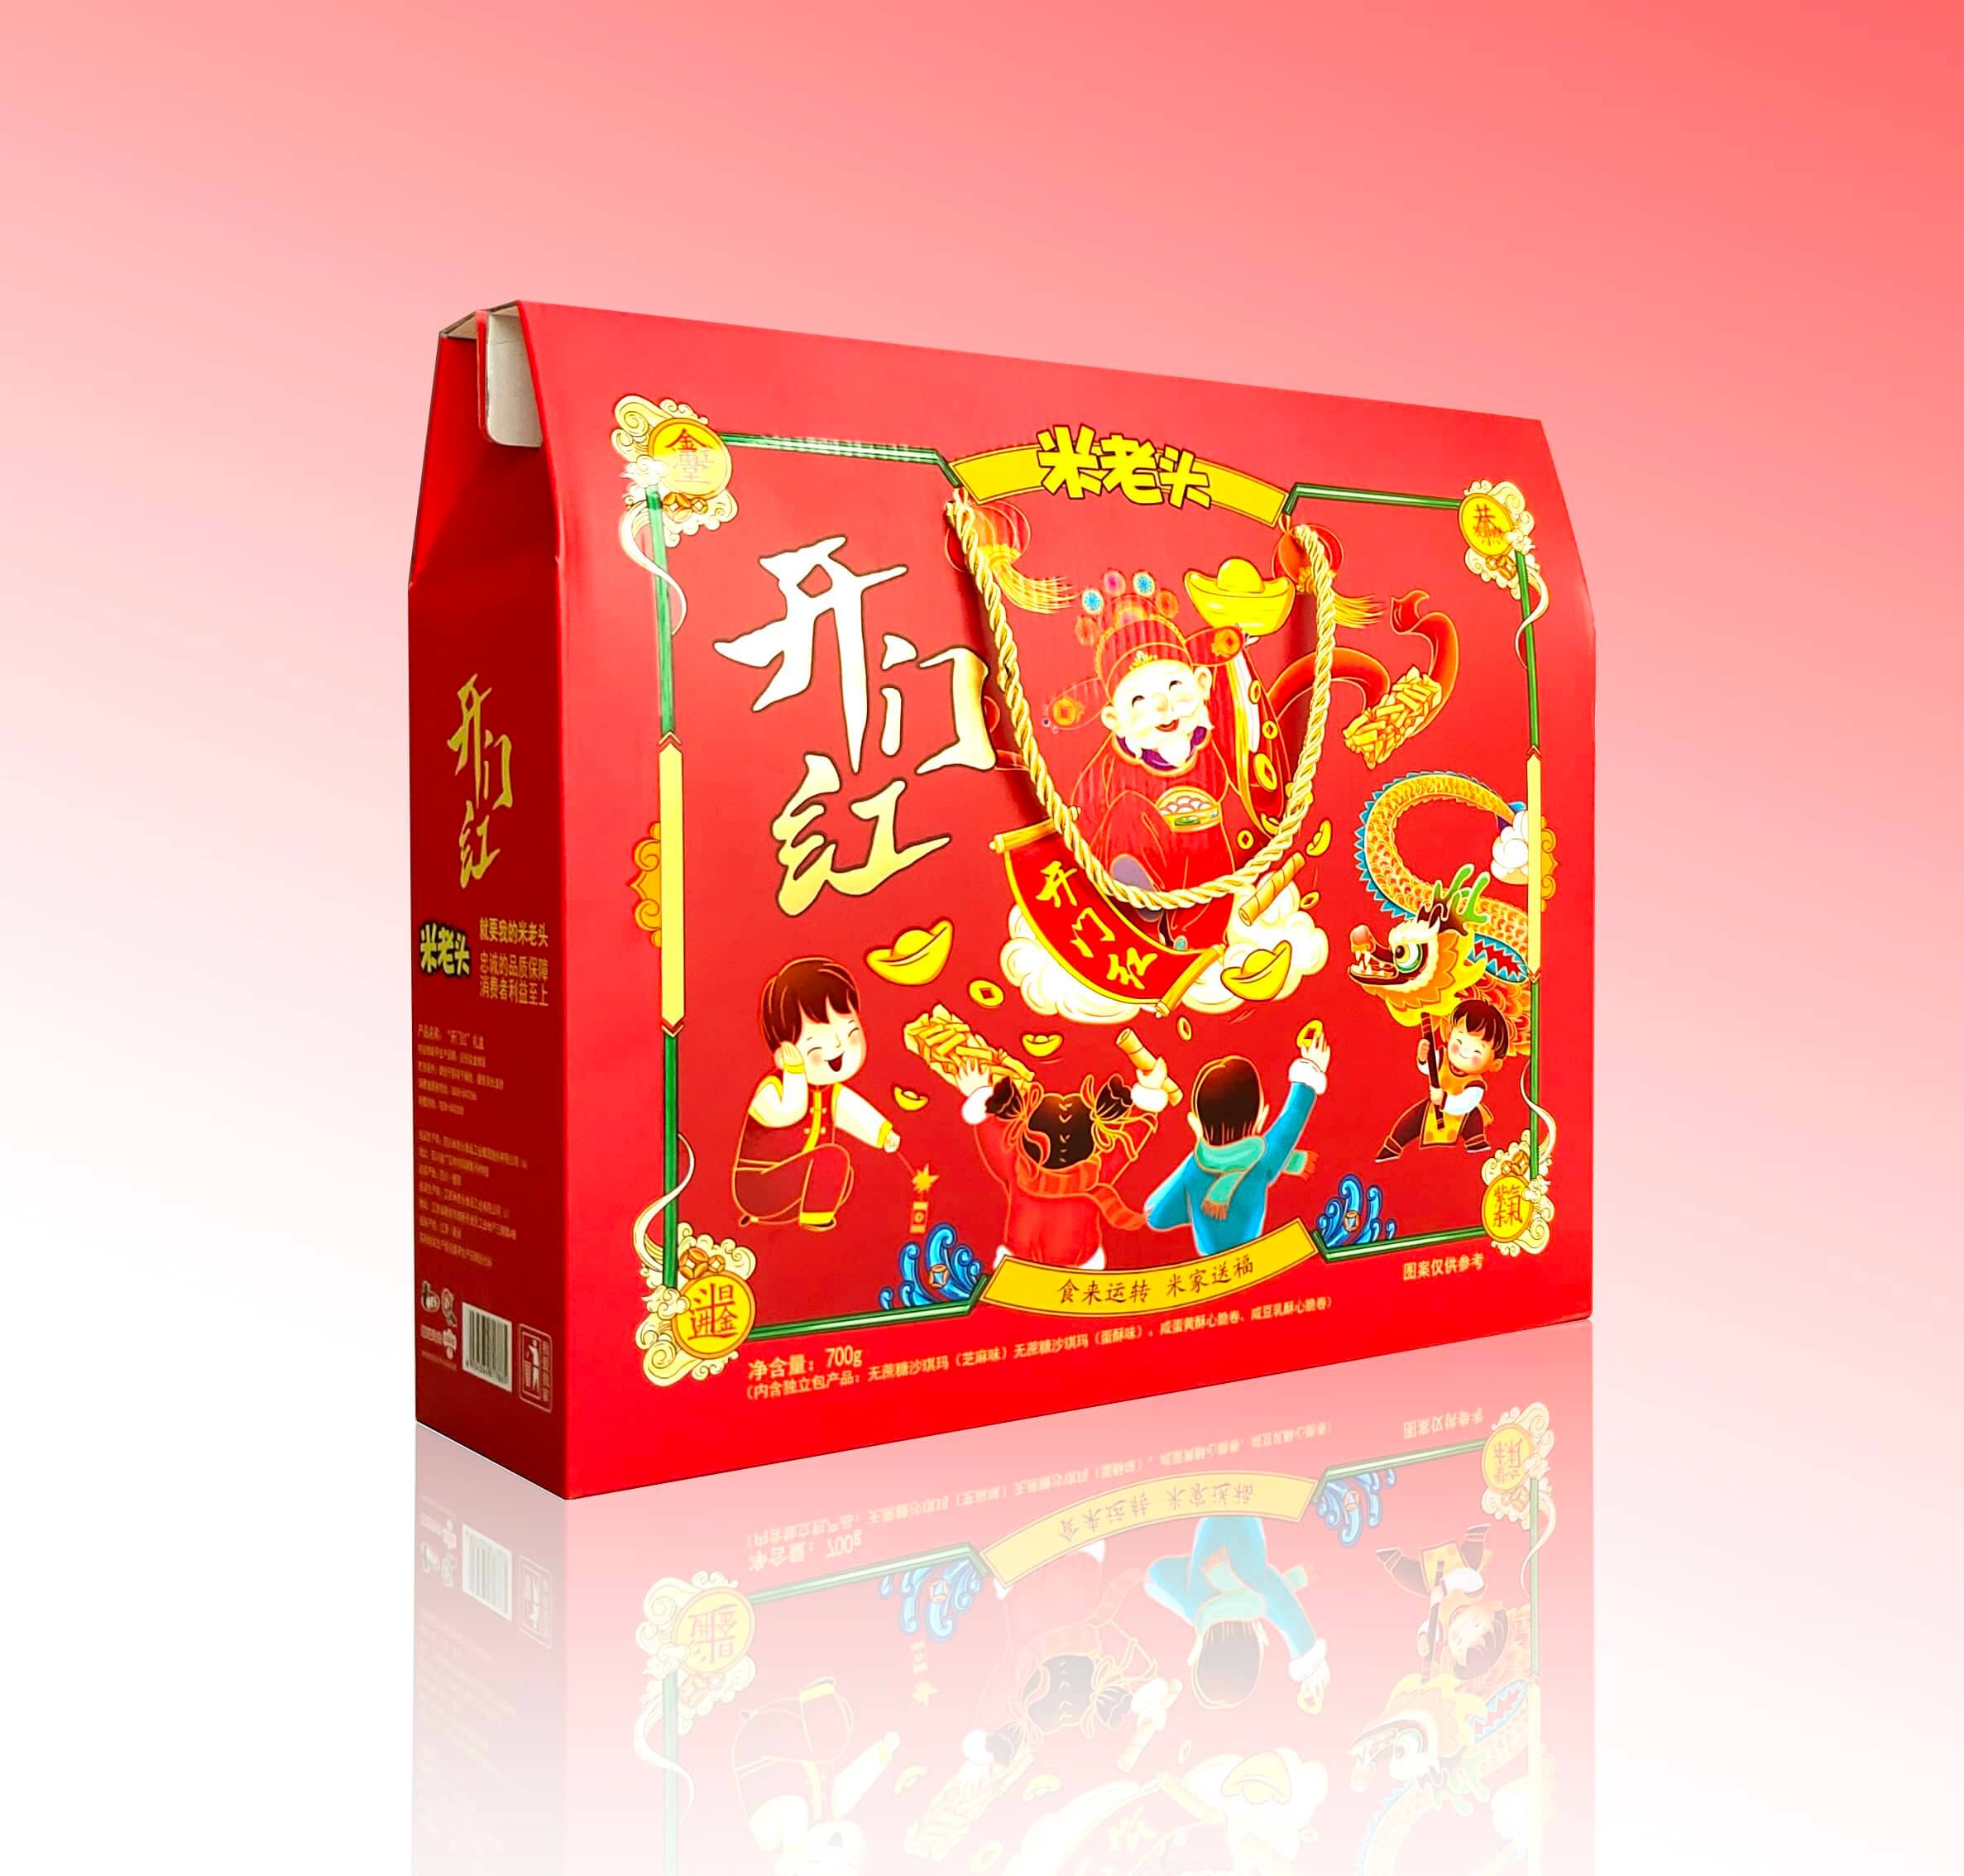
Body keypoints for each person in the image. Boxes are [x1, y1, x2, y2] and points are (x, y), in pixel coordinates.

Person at [733, 957, 898, 1231]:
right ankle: (816, 1222)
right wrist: (794, 1071)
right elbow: (790, 1112)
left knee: (842, 1174)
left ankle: (807, 1216)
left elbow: (853, 1111)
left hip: (795, 1192)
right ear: (784, 1052)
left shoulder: (830, 1093)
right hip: (760, 1185)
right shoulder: (773, 1089)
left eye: (850, 1034)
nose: (838, 1048)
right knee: (833, 1159)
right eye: (817, 1044)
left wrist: (882, 1134)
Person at [1144, 1029, 1330, 1256]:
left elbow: (1157, 1216)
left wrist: (1194, 1199)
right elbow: (1292, 1119)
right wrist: (1312, 1067)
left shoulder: (1195, 1165)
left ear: (1198, 1122)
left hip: (1207, 1264)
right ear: (1261, 1116)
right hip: (1249, 1259)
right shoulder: (1263, 1159)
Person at [1375, 997, 1509, 1162]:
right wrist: (1423, 1057)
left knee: (1473, 1120)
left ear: (1494, 1063)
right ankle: (1393, 1146)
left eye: (1477, 1051)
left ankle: (1476, 1145)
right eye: (1459, 1041)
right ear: (1449, 1034)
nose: (1465, 1051)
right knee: (1411, 1120)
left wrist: (1445, 1100)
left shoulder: (1475, 1085)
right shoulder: (1442, 1058)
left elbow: (1465, 1103)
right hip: (1433, 1107)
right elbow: (1428, 1068)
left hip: (1462, 1113)